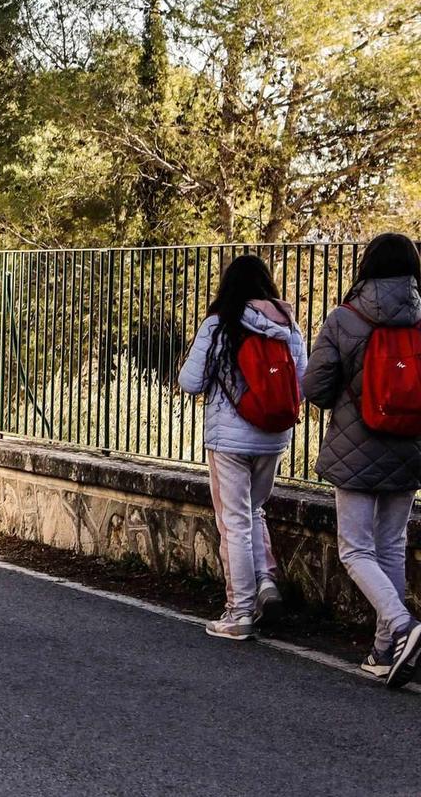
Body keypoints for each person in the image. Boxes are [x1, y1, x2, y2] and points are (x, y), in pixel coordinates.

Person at [306, 232, 421, 687]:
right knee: (391, 545)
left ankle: (402, 625)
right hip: (411, 447)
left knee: (355, 549)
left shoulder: (345, 318)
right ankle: (382, 651)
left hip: (357, 443)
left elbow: (315, 388)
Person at [175, 254, 306, 641]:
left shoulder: (219, 324)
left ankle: (239, 612)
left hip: (229, 439)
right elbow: (302, 380)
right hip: (274, 436)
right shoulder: (287, 325)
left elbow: (189, 381)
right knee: (253, 511)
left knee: (233, 521)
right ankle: (266, 582)